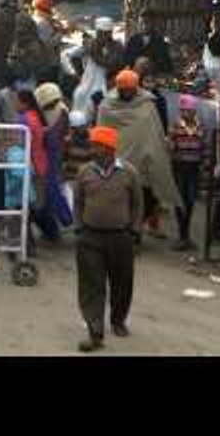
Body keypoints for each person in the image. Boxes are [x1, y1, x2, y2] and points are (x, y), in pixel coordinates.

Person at [73, 125, 144, 353]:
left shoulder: (129, 172)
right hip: (90, 237)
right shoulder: (84, 172)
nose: (92, 149)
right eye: (93, 145)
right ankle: (95, 331)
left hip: (120, 237)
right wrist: (79, 227)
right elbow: (78, 202)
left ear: (109, 148)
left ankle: (118, 320)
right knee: (91, 285)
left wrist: (134, 231)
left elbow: (138, 203)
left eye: (97, 145)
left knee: (122, 283)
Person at [97, 69, 183, 241]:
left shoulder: (147, 104)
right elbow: (102, 134)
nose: (128, 93)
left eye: (131, 89)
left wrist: (159, 150)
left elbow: (155, 132)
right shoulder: (107, 106)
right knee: (119, 198)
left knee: (145, 198)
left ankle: (135, 230)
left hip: (143, 163)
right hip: (118, 163)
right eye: (124, 90)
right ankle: (121, 231)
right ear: (119, 89)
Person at [16, 89, 56, 246]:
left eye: (18, 101)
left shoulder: (23, 120)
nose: (15, 104)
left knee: (27, 204)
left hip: (29, 165)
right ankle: (48, 233)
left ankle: (32, 240)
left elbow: (18, 142)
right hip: (40, 163)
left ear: (25, 103)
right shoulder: (36, 116)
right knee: (36, 203)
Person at [35, 82, 73, 232]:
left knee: (52, 187)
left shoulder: (61, 110)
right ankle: (58, 220)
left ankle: (66, 219)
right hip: (47, 153)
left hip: (54, 153)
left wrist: (43, 133)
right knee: (48, 189)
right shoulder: (45, 112)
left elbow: (55, 137)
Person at [170, 94, 205, 252]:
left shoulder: (200, 125)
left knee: (190, 200)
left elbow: (204, 147)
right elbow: (170, 146)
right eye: (183, 110)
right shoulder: (176, 126)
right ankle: (182, 236)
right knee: (179, 200)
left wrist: (204, 165)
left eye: (189, 110)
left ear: (194, 111)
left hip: (194, 168)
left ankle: (186, 235)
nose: (186, 113)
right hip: (179, 167)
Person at [124, 8, 173, 77]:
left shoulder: (160, 41)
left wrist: (151, 64)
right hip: (134, 76)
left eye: (146, 23)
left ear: (153, 23)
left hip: (153, 77)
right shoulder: (133, 40)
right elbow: (126, 60)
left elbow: (167, 65)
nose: (144, 26)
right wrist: (137, 62)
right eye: (141, 23)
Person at [134, 56, 168, 133]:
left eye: (152, 82)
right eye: (147, 82)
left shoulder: (160, 99)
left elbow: (163, 121)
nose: (149, 85)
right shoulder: (134, 96)